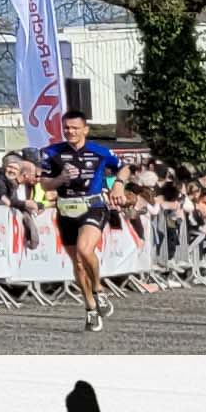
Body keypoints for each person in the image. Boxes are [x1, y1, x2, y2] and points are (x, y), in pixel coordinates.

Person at [37, 109, 125, 330]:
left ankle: (99, 289)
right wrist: (61, 179)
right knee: (77, 262)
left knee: (85, 251)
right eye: (67, 128)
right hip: (66, 210)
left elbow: (123, 168)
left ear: (85, 129)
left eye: (75, 128)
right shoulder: (51, 153)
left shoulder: (100, 152)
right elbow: (45, 184)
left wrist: (118, 184)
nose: (71, 132)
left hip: (93, 205)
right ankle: (90, 308)